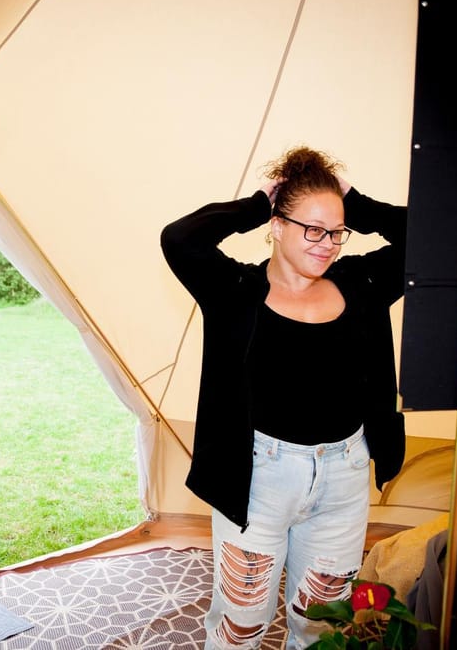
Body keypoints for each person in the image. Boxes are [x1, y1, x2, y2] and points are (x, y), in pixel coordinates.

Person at [160, 146, 407, 649]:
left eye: (336, 231)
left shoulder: (362, 282)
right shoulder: (234, 289)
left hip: (344, 476)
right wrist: (257, 202)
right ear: (276, 225)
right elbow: (180, 238)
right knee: (241, 624)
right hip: (257, 479)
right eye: (311, 229)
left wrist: (351, 202)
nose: (327, 243)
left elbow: (439, 239)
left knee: (323, 624)